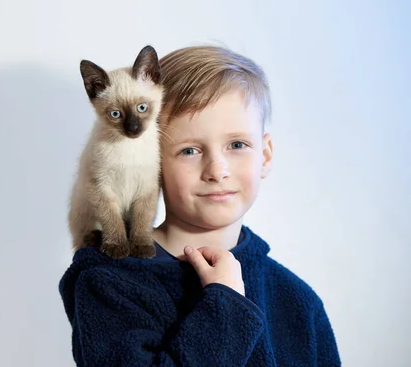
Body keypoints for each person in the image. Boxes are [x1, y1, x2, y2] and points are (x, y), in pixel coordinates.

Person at [58, 45, 341, 366]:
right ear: (153, 159)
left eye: (237, 144)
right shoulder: (108, 282)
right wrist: (227, 306)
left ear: (265, 155)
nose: (217, 170)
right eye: (190, 150)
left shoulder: (299, 301)